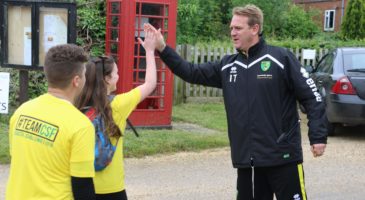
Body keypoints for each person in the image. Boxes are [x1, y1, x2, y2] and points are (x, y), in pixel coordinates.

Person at [148, 4, 327, 200]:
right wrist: (162, 48)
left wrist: (317, 136)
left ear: (255, 29)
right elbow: (190, 72)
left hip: (282, 158)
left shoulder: (281, 58)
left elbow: (313, 96)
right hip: (247, 162)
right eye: (231, 28)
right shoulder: (228, 65)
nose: (232, 33)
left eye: (238, 28)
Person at [75, 24, 157, 200]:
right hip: (112, 189)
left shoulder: (76, 104)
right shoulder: (118, 105)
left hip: (82, 186)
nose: (118, 76)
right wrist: (149, 51)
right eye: (116, 73)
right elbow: (149, 84)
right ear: (107, 79)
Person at [6, 44, 96, 200]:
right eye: (84, 74)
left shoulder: (22, 111)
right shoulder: (81, 125)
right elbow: (83, 187)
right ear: (76, 81)